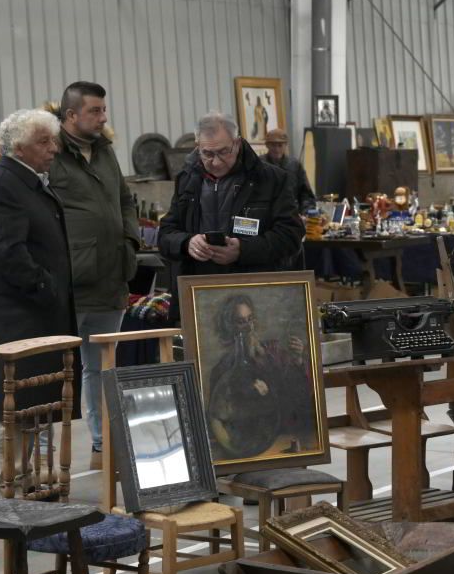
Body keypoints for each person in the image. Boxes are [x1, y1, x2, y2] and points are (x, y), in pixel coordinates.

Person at [0, 108, 75, 478]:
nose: (53, 149)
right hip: (14, 318)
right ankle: (12, 483)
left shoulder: (27, 181)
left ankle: (33, 479)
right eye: (43, 142)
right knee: (13, 409)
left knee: (34, 403)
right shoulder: (2, 186)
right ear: (17, 148)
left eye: (53, 140)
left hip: (34, 314)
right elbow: (9, 253)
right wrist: (45, 287)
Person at [49, 81, 139, 471]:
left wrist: (131, 242)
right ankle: (42, 459)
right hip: (72, 282)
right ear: (71, 115)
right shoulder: (51, 153)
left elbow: (125, 200)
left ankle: (103, 448)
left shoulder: (105, 152)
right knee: (54, 369)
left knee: (103, 366)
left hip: (111, 276)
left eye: (104, 110)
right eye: (95, 111)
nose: (104, 118)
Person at [158, 111, 304, 297]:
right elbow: (165, 235)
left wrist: (243, 251)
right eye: (208, 154)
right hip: (198, 293)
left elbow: (291, 235)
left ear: (237, 143)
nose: (216, 162)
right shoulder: (187, 180)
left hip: (254, 293)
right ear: (197, 147)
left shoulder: (271, 179)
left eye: (223, 152)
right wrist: (187, 243)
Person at [205, 294, 314, 460]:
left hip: (280, 438)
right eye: (241, 321)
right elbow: (222, 415)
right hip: (246, 444)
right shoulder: (222, 369)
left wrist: (298, 360)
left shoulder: (273, 351)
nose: (249, 327)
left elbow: (299, 394)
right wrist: (250, 394)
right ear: (230, 327)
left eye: (250, 319)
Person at [263, 128, 315, 215]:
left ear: (286, 145)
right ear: (267, 145)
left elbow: (305, 194)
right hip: (265, 215)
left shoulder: (295, 165)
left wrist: (306, 212)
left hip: (291, 214)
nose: (276, 149)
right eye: (273, 145)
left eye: (280, 145)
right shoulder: (258, 165)